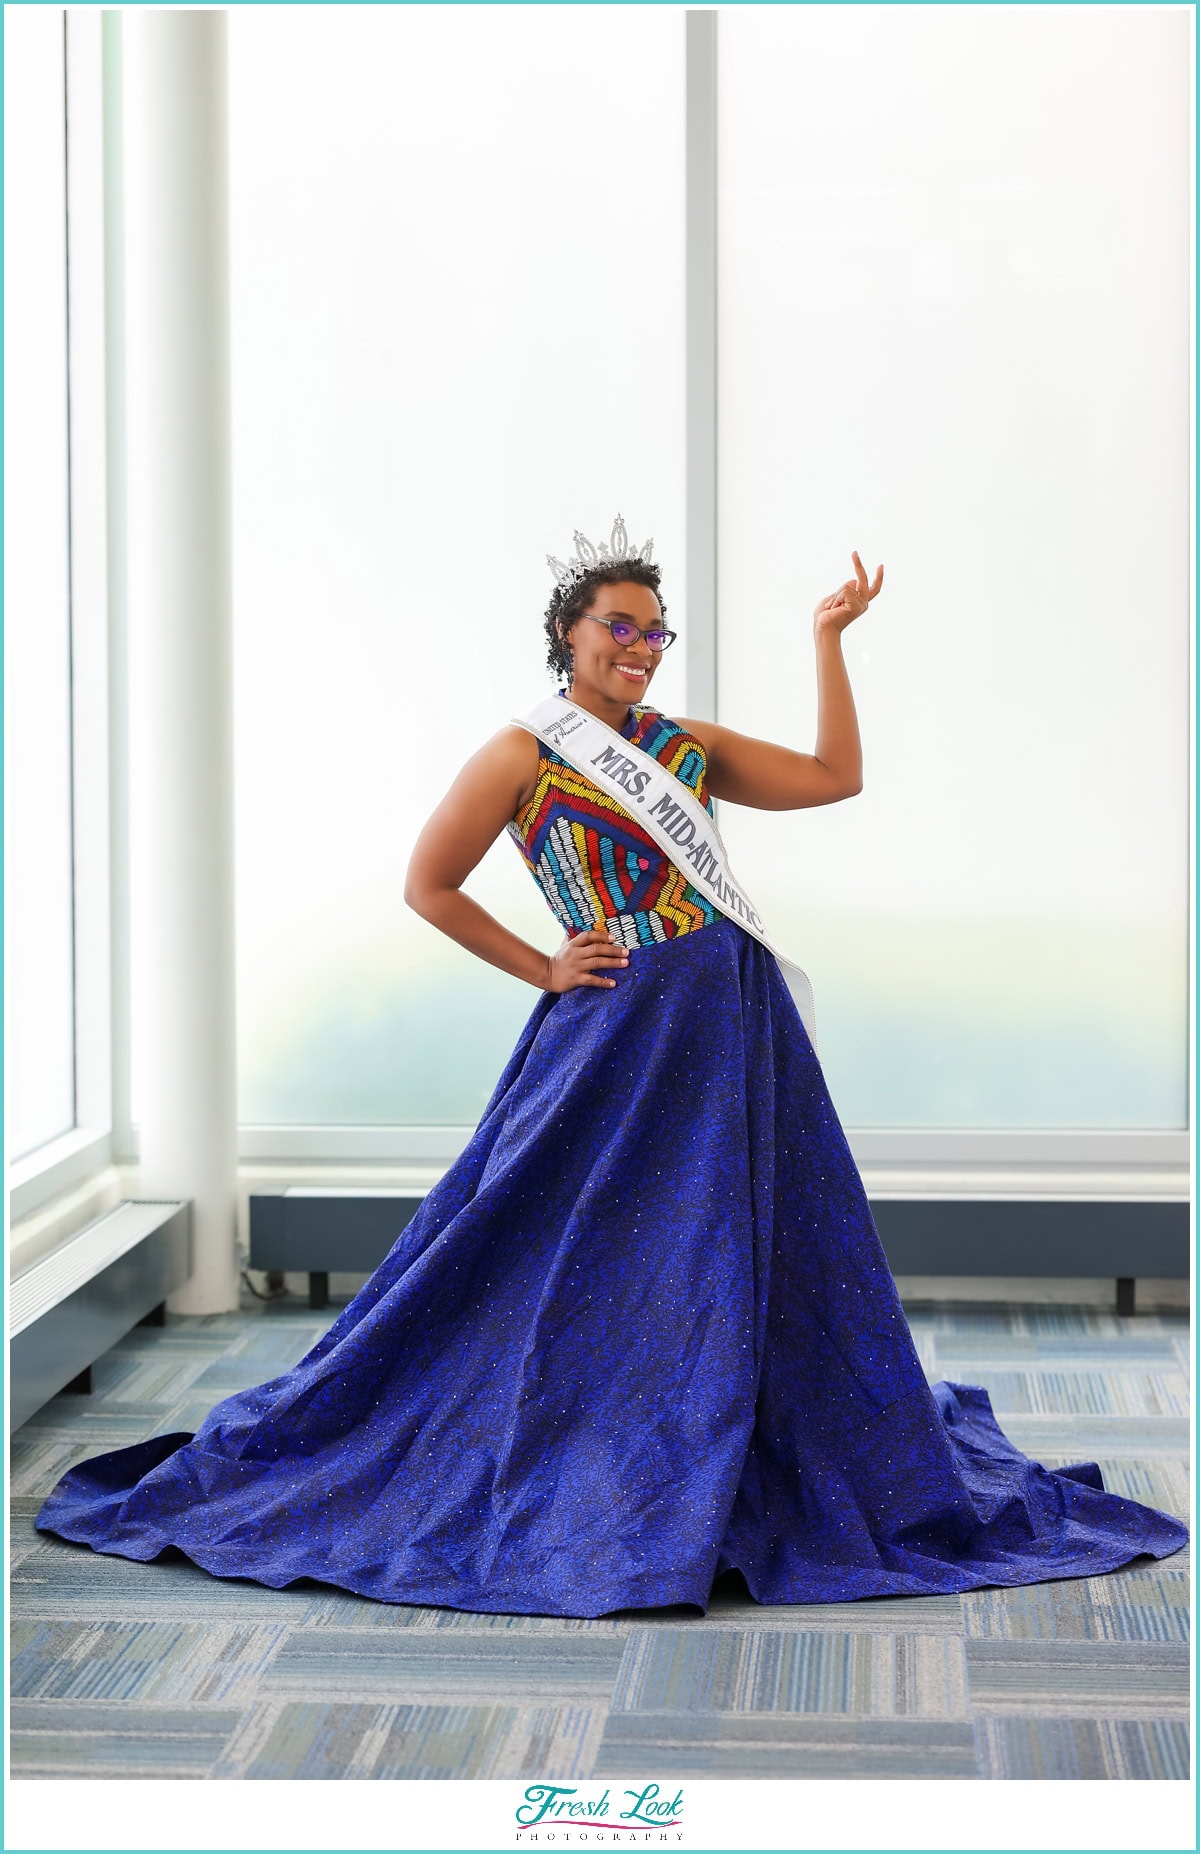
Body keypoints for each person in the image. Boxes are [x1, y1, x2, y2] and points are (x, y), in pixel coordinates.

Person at [34, 516, 1187, 1619]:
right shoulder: (522, 752)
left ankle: (742, 1445)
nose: (638, 648)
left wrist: (828, 642)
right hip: (618, 1038)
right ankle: (571, 1451)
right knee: (553, 1240)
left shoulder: (686, 747)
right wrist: (541, 962)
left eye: (654, 632)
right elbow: (427, 885)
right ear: (568, 638)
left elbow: (837, 776)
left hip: (736, 1032)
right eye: (618, 629)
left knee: (746, 1245)